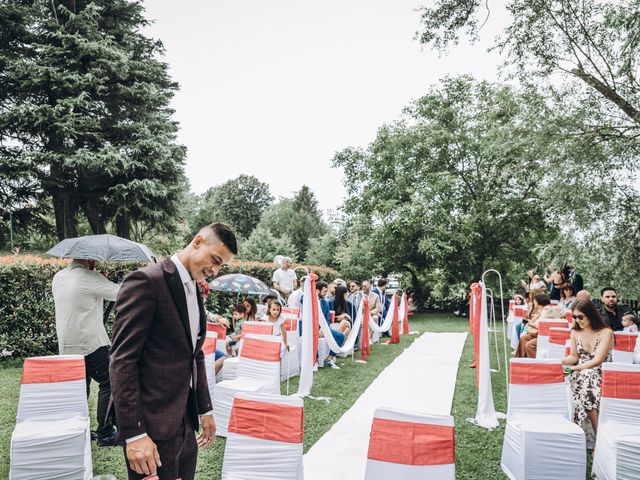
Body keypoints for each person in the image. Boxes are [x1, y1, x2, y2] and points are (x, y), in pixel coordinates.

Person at [110, 223, 237, 479]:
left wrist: (205, 410)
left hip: (184, 421)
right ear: (198, 241)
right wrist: (134, 434)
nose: (214, 270)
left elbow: (195, 353)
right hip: (150, 425)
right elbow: (123, 361)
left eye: (221, 265)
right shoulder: (146, 281)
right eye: (214, 260)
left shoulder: (194, 288)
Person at [52, 258, 120, 446]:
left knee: (79, 388)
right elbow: (120, 293)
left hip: (66, 346)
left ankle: (78, 430)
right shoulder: (89, 277)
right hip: (89, 344)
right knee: (110, 382)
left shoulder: (59, 277)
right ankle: (105, 433)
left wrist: (100, 281)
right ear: (89, 259)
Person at [562, 299, 614, 444]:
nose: (577, 320)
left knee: (588, 376)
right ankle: (600, 437)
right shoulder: (575, 332)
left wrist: (574, 369)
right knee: (586, 377)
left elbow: (598, 360)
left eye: (580, 317)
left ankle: (599, 437)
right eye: (574, 317)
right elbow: (574, 356)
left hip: (601, 373)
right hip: (581, 375)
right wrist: (559, 362)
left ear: (591, 315)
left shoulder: (606, 332)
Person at [515, 293, 550, 358]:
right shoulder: (541, 310)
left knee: (529, 345)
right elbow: (531, 322)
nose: (534, 303)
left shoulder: (546, 311)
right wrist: (536, 316)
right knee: (523, 338)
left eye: (534, 301)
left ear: (539, 301)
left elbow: (539, 326)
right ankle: (520, 359)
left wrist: (531, 324)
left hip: (543, 334)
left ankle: (534, 363)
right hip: (538, 333)